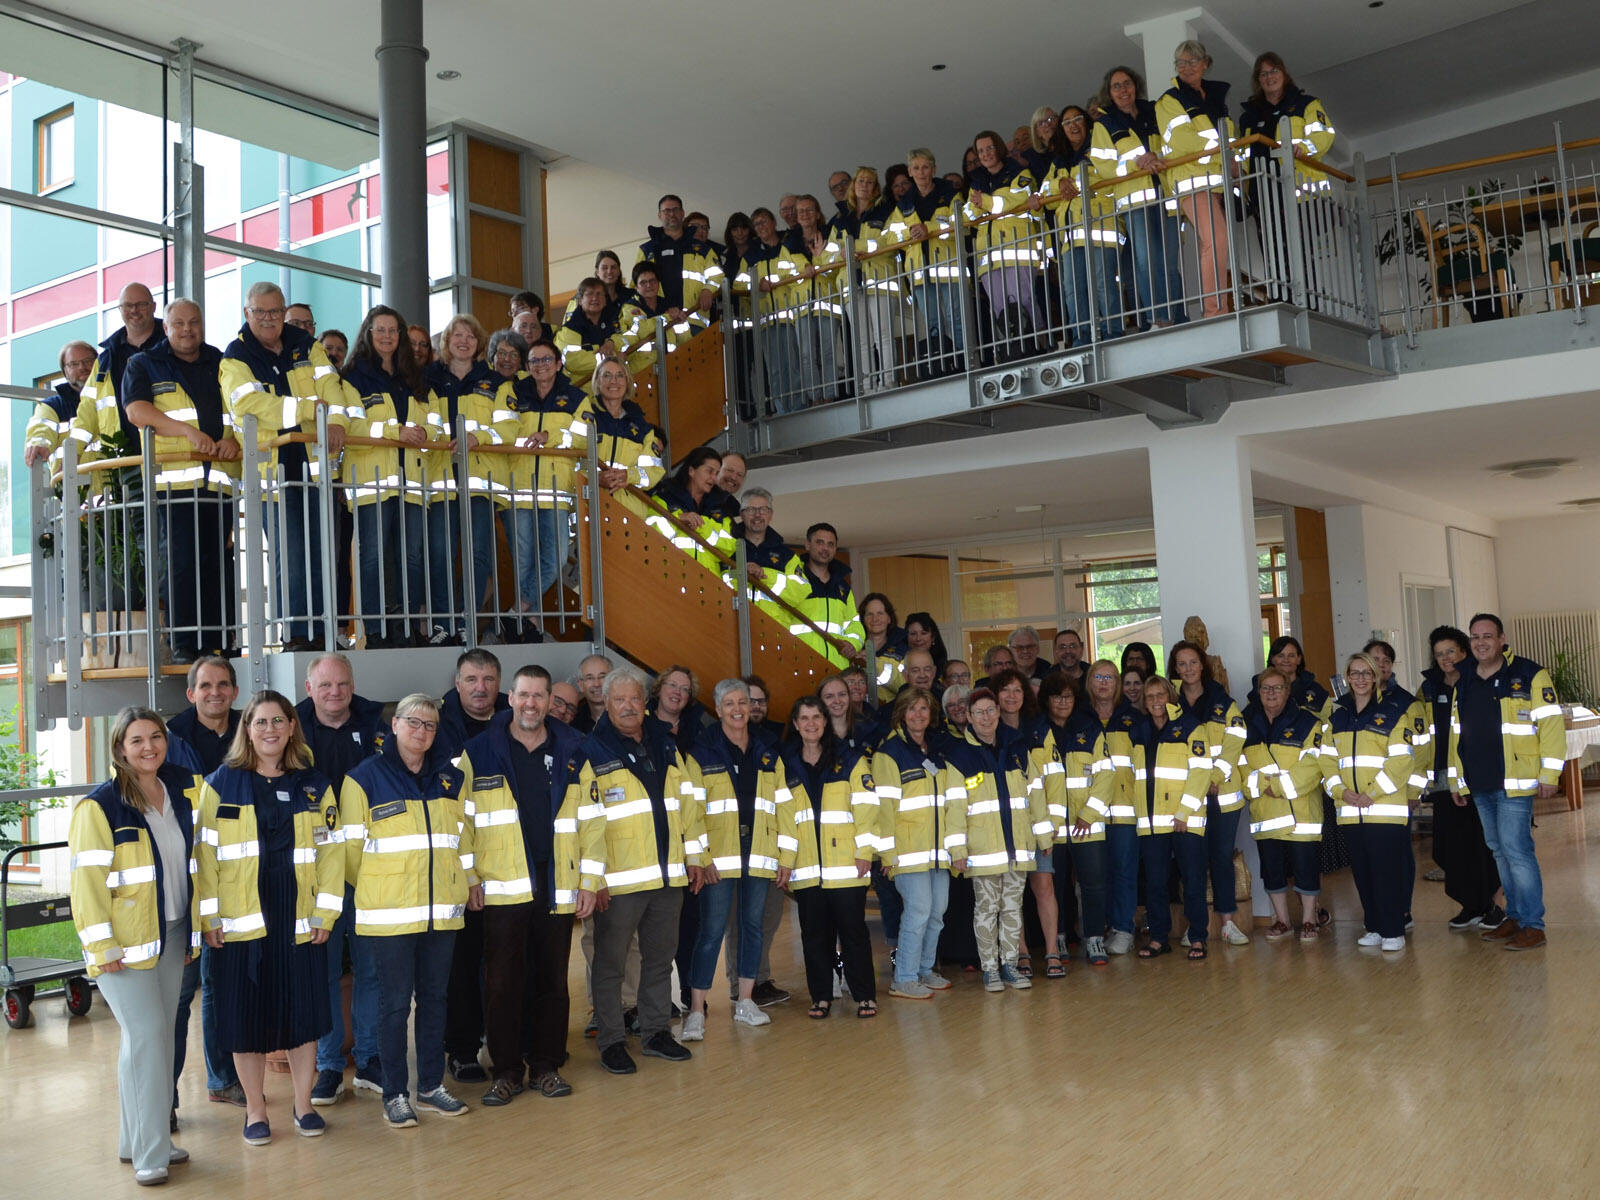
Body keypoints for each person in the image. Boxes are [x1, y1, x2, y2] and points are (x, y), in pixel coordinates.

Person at [193, 690, 340, 1147]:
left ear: (292, 726)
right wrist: (209, 918)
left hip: (300, 921)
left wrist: (326, 913)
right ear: (248, 729)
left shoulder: (315, 785)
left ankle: (304, 1105)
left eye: (279, 721)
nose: (270, 729)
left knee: (303, 1015)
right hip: (240, 925)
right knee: (245, 1019)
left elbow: (332, 853)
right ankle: (255, 1110)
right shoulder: (221, 784)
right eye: (261, 722)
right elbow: (203, 859)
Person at [69, 707, 199, 1185]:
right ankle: (151, 1152)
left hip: (173, 932)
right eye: (137, 740)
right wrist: (101, 947)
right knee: (147, 1038)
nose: (149, 747)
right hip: (123, 946)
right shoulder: (100, 807)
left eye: (156, 737)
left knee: (152, 1039)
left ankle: (136, 1139)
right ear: (120, 748)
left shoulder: (179, 790)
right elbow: (86, 886)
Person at [341, 693, 475, 1127]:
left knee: (435, 1000)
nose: (421, 731)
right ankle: (396, 1093)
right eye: (413, 722)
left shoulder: (451, 779)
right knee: (394, 1005)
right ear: (394, 725)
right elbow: (350, 856)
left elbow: (462, 839)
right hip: (390, 916)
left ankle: (431, 1086)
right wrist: (386, 889)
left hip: (442, 913)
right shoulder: (362, 779)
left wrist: (461, 884)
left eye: (429, 725)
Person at [458, 665, 584, 1103]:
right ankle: (507, 1071)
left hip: (556, 884)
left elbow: (592, 820)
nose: (531, 704)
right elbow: (461, 822)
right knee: (501, 984)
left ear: (550, 701)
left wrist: (589, 881)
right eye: (523, 695)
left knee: (553, 982)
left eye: (539, 696)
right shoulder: (478, 752)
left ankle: (546, 1067)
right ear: (509, 698)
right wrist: (469, 877)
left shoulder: (573, 749)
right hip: (502, 888)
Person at [574, 665, 702, 1074]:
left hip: (667, 877)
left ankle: (656, 1033)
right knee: (610, 966)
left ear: (645, 702)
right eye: (619, 700)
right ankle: (612, 1041)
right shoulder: (591, 751)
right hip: (619, 883)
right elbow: (587, 822)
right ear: (605, 703)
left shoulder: (666, 744)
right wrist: (593, 881)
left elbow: (688, 805)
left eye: (634, 698)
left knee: (660, 960)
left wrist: (696, 858)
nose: (628, 706)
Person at [220, 281, 347, 651]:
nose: (268, 318)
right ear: (247, 313)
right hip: (272, 474)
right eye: (260, 311)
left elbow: (332, 389)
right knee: (289, 556)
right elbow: (249, 406)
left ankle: (323, 634)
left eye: (275, 311)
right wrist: (309, 410)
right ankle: (295, 635)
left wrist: (335, 421)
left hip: (316, 468)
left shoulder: (308, 346)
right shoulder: (235, 357)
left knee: (323, 553)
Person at [122, 297, 240, 663]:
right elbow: (137, 410)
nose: (187, 329)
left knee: (219, 563)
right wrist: (187, 432)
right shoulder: (144, 363)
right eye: (179, 324)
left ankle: (223, 641)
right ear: (166, 327)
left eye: (194, 322)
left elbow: (239, 409)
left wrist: (234, 440)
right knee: (181, 564)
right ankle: (186, 645)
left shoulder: (220, 361)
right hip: (173, 485)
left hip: (218, 482)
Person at [294, 654, 385, 1106]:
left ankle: (369, 1060)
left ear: (353, 685)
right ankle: (329, 1065)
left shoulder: (377, 726)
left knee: (371, 970)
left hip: (369, 870)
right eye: (325, 685)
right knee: (324, 973)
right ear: (309, 688)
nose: (335, 692)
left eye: (343, 684)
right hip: (315, 873)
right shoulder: (289, 730)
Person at [1448, 613, 1562, 951]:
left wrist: (1549, 774)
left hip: (1515, 781)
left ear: (1502, 639)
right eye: (1475, 637)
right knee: (1499, 852)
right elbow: (1456, 734)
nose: (1481, 642)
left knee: (1517, 852)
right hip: (1479, 781)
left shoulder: (1529, 674)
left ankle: (1533, 925)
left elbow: (1551, 727)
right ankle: (1514, 917)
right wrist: (1457, 781)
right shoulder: (1465, 678)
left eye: (1488, 636)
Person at [680, 679, 781, 1037]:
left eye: (744, 702)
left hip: (759, 854)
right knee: (710, 932)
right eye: (730, 703)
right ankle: (696, 1010)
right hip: (718, 859)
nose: (738, 709)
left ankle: (746, 1002)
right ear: (718, 709)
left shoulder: (768, 750)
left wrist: (783, 855)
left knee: (752, 928)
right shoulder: (701, 751)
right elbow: (690, 812)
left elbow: (783, 805)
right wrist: (700, 857)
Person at [776, 696, 877, 1018]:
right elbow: (784, 819)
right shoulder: (785, 765)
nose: (811, 724)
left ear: (825, 721)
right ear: (795, 724)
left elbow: (867, 810)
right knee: (815, 938)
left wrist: (865, 852)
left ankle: (864, 995)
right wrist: (786, 861)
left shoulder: (850, 760)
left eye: (816, 717)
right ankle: (821, 996)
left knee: (853, 934)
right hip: (806, 868)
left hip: (847, 866)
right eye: (804, 718)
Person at [945, 687, 1050, 992]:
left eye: (991, 710)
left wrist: (1044, 836)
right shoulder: (959, 756)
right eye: (979, 712)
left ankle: (1011, 966)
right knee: (986, 910)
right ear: (968, 717)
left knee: (1013, 909)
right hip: (983, 851)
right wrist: (957, 849)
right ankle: (990, 969)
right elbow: (955, 807)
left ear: (999, 713)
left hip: (1018, 848)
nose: (986, 717)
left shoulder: (1017, 748)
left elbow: (1036, 795)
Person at [338, 304, 431, 648]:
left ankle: (407, 627)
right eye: (381, 330)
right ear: (368, 333)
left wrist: (426, 432)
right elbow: (351, 425)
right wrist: (397, 432)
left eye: (394, 330)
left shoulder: (414, 376)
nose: (387, 336)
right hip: (371, 481)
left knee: (412, 557)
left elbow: (434, 421)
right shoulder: (353, 376)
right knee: (373, 556)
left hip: (412, 481)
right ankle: (375, 631)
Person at [423, 315, 516, 642]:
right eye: (457, 335)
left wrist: (479, 437)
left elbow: (509, 427)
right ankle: (442, 624)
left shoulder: (496, 382)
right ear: (447, 341)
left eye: (470, 336)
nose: (463, 341)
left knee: (477, 554)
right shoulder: (429, 379)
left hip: (480, 481)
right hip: (440, 480)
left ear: (478, 344)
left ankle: (466, 623)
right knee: (440, 554)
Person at [1411, 626, 1503, 931]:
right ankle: (1470, 905)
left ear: (1464, 651)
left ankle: (1492, 905)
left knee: (1481, 841)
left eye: (1451, 651)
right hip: (1442, 777)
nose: (1445, 658)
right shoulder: (1428, 688)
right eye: (1439, 653)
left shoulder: (1476, 681)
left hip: (1474, 774)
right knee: (1450, 845)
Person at [1320, 652, 1415, 951]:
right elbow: (1326, 762)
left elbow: (1401, 762)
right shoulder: (1337, 717)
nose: (1360, 678)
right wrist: (1342, 792)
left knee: (1387, 873)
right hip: (1351, 810)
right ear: (1347, 678)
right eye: (1355, 673)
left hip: (1383, 810)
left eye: (1366, 673)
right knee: (1362, 873)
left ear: (1375, 677)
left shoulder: (1394, 714)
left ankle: (1393, 930)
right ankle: (1373, 926)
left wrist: (1371, 793)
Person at [1237, 52, 1337, 304]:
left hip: (1297, 192)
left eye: (1274, 71)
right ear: (1257, 80)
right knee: (1272, 251)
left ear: (1284, 73)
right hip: (1262, 193)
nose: (1269, 77)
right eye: (1263, 73)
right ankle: (1281, 300)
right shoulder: (1250, 116)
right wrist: (1240, 177)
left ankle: (1308, 302)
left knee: (1298, 250)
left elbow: (1324, 135)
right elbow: (1243, 155)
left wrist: (1303, 148)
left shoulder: (1305, 104)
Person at [1091, 65, 1186, 328]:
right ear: (1109, 93)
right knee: (1146, 261)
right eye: (1116, 86)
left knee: (1169, 261)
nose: (1123, 90)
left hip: (1165, 195)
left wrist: (1157, 158)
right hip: (1135, 201)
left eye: (1127, 84)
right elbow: (1105, 168)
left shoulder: (1153, 112)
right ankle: (1158, 318)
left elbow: (1172, 146)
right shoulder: (1105, 124)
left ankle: (1178, 317)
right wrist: (1138, 163)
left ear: (1136, 86)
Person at [1170, 639, 1251, 945]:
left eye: (1193, 662)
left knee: (1221, 858)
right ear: (1175, 669)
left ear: (1202, 665)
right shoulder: (1171, 704)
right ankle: (1195, 927)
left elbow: (1234, 744)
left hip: (1222, 795)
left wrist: (1214, 777)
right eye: (1182, 664)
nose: (1188, 668)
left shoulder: (1224, 703)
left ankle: (1228, 924)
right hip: (1188, 798)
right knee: (1192, 863)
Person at [874, 687, 949, 999]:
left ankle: (924, 970)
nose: (918, 715)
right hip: (906, 853)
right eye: (912, 709)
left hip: (938, 851)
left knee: (936, 914)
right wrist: (887, 855)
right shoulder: (889, 753)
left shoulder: (935, 750)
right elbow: (883, 810)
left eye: (924, 709)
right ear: (901, 714)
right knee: (917, 913)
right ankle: (903, 978)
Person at [1036, 672, 1116, 965]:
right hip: (1051, 829)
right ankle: (1058, 936)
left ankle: (1094, 938)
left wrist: (1088, 814)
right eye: (1056, 697)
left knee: (1093, 883)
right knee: (1055, 886)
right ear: (1047, 700)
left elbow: (1106, 775)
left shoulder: (1089, 729)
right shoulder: (1035, 733)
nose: (1062, 702)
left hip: (1087, 826)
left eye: (1067, 696)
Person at [1131, 674, 1213, 958]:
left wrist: (1184, 812)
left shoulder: (1190, 726)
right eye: (1150, 696)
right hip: (1151, 822)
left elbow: (1201, 772)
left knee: (1192, 880)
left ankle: (1198, 938)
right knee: (1155, 883)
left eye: (1160, 695)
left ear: (1171, 696)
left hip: (1185, 820)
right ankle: (1158, 938)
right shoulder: (1138, 731)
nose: (1155, 701)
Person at [1242, 667, 1325, 941]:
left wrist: (1277, 787)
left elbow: (1314, 765)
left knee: (1306, 869)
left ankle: (1310, 919)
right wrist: (1258, 785)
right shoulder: (1246, 724)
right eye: (1266, 688)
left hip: (1301, 813)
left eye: (1278, 688)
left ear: (1288, 692)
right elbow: (1240, 766)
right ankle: (1282, 920)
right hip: (1265, 813)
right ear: (1258, 692)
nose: (1271, 693)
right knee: (1272, 870)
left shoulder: (1307, 722)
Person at [1157, 40, 1235, 318]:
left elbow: (1229, 138)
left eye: (1192, 61)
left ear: (1205, 63)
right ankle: (1215, 310)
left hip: (1216, 181)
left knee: (1216, 242)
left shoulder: (1214, 98)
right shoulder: (1170, 100)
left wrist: (1230, 159)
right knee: (1216, 240)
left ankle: (1218, 307)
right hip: (1191, 180)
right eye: (1181, 62)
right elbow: (1182, 142)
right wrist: (1221, 150)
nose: (1186, 67)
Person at [1041, 105, 1124, 345]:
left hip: (1101, 227)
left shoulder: (1098, 145)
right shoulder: (1059, 161)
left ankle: (1113, 331)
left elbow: (1110, 174)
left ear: (1086, 122)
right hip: (1070, 236)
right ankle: (1082, 336)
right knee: (1072, 289)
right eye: (1067, 122)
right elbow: (1045, 193)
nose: (1073, 125)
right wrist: (1059, 184)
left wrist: (1072, 183)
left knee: (1103, 283)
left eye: (1077, 119)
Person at [965, 130, 1043, 358]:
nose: (986, 154)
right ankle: (1012, 353)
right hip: (988, 258)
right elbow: (967, 214)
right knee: (1000, 310)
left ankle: (1039, 347)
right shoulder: (977, 181)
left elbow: (1016, 200)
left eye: (989, 148)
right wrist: (979, 205)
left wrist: (985, 202)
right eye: (981, 151)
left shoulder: (1020, 172)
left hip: (1017, 251)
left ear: (998, 148)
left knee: (1024, 302)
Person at [1082, 659, 1141, 955]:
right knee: (1096, 875)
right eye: (1098, 677)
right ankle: (1101, 927)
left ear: (1118, 684)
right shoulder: (1080, 718)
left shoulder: (1133, 718)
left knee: (1123, 871)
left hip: (1123, 810)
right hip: (1089, 813)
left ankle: (1123, 928)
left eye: (1110, 677)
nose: (1104, 683)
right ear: (1089, 681)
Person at [834, 167, 904, 392]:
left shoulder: (886, 211)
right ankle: (867, 385)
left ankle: (888, 382)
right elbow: (830, 252)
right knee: (861, 340)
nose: (864, 185)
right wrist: (841, 253)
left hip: (879, 279)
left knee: (883, 335)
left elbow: (891, 240)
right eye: (860, 181)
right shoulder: (840, 218)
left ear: (875, 189)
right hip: (850, 283)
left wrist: (855, 247)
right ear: (853, 186)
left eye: (869, 182)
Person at [896, 149, 964, 376]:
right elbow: (890, 235)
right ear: (909, 172)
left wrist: (930, 229)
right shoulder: (904, 203)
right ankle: (942, 366)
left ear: (934, 169)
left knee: (956, 318)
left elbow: (962, 222)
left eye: (925, 167)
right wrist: (909, 232)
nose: (921, 172)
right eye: (916, 168)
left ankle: (963, 363)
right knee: (933, 323)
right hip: (919, 272)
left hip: (948, 268)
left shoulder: (950, 193)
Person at [742, 206, 801, 411]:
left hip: (791, 318)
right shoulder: (751, 256)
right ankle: (782, 410)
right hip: (767, 322)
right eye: (756, 224)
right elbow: (739, 283)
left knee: (794, 365)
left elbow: (798, 270)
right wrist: (756, 284)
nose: (760, 227)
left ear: (774, 222)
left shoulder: (787, 246)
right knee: (775, 370)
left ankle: (798, 407)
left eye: (763, 221)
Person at [636, 194, 721, 333]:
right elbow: (636, 286)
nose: (671, 214)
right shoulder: (647, 250)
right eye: (666, 211)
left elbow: (717, 275)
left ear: (682, 213)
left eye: (675, 210)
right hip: (660, 323)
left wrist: (708, 290)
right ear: (659, 215)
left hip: (694, 321)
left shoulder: (703, 249)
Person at [647, 445, 738, 574]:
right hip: (671, 574)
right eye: (709, 471)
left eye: (717, 473)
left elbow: (730, 546)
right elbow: (651, 532)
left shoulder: (721, 506)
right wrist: (678, 519)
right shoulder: (665, 497)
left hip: (709, 580)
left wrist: (701, 526)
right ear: (691, 471)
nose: (714, 478)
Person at [789, 523, 866, 667]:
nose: (825, 548)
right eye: (820, 542)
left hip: (837, 666)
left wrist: (852, 644)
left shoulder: (843, 587)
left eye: (830, 544)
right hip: (800, 663)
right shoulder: (793, 578)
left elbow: (854, 624)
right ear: (807, 545)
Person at [590, 358, 666, 493]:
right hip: (591, 500)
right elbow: (571, 463)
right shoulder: (584, 417)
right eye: (607, 375)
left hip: (627, 504)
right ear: (597, 381)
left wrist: (628, 475)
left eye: (619, 375)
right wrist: (594, 478)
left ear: (627, 382)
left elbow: (653, 472)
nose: (613, 381)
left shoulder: (644, 429)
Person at [23, 338, 96, 469]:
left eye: (88, 361)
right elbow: (41, 429)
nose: (82, 367)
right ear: (65, 372)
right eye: (73, 364)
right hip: (70, 480)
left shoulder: (112, 399)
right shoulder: (51, 407)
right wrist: (38, 443)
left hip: (117, 478)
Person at [436, 648, 510, 763]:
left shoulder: (517, 719)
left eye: (488, 679)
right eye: (471, 680)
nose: (481, 688)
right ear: (458, 685)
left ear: (499, 683)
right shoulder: (436, 726)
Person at [556, 277, 628, 391]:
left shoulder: (614, 321)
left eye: (599, 294)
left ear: (605, 300)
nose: (595, 298)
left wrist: (612, 342)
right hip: (582, 393)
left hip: (612, 389)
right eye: (589, 294)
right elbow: (573, 361)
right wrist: (611, 359)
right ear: (580, 300)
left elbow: (627, 338)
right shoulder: (569, 329)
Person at [1252, 635, 1332, 717]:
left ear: (1299, 659)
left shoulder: (1316, 691)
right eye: (1281, 656)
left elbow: (1329, 721)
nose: (1286, 660)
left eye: (1291, 656)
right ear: (1272, 659)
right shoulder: (1258, 690)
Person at [649, 665, 713, 754]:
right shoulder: (641, 721)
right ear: (659, 688)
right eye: (672, 685)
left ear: (689, 698)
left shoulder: (697, 732)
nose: (677, 692)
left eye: (684, 689)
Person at [859, 593, 908, 702]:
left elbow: (905, 686)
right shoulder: (855, 647)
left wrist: (874, 663)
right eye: (869, 614)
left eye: (880, 613)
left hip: (893, 709)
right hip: (861, 709)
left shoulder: (902, 649)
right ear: (863, 619)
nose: (875, 619)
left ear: (889, 618)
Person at [572, 654, 612, 734]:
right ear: (580, 685)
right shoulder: (575, 721)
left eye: (602, 677)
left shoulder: (626, 714)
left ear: (613, 681)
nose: (596, 684)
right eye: (590, 678)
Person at [904, 612, 950, 678]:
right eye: (913, 634)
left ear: (933, 637)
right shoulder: (898, 663)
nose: (918, 638)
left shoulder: (945, 668)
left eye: (923, 633)